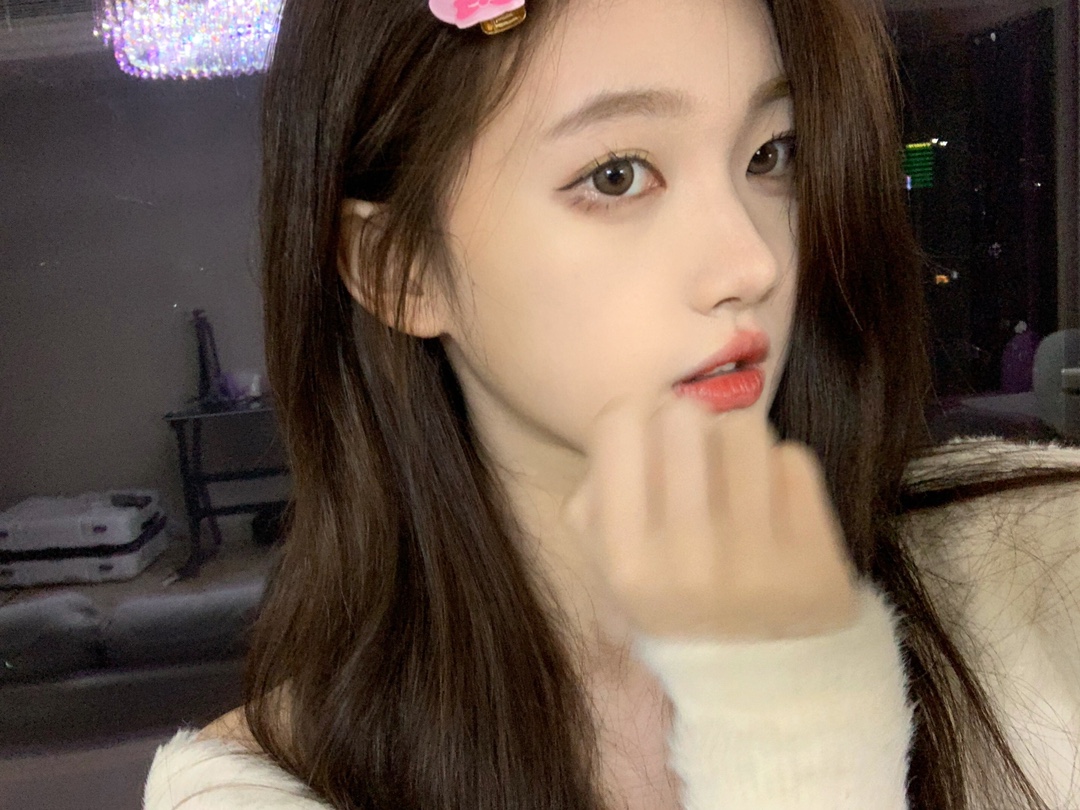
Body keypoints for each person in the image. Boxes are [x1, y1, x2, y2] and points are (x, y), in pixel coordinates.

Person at [143, 0, 1080, 807]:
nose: (752, 262)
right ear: (400, 269)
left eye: (770, 153)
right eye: (616, 175)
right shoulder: (262, 785)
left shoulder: (1031, 564)